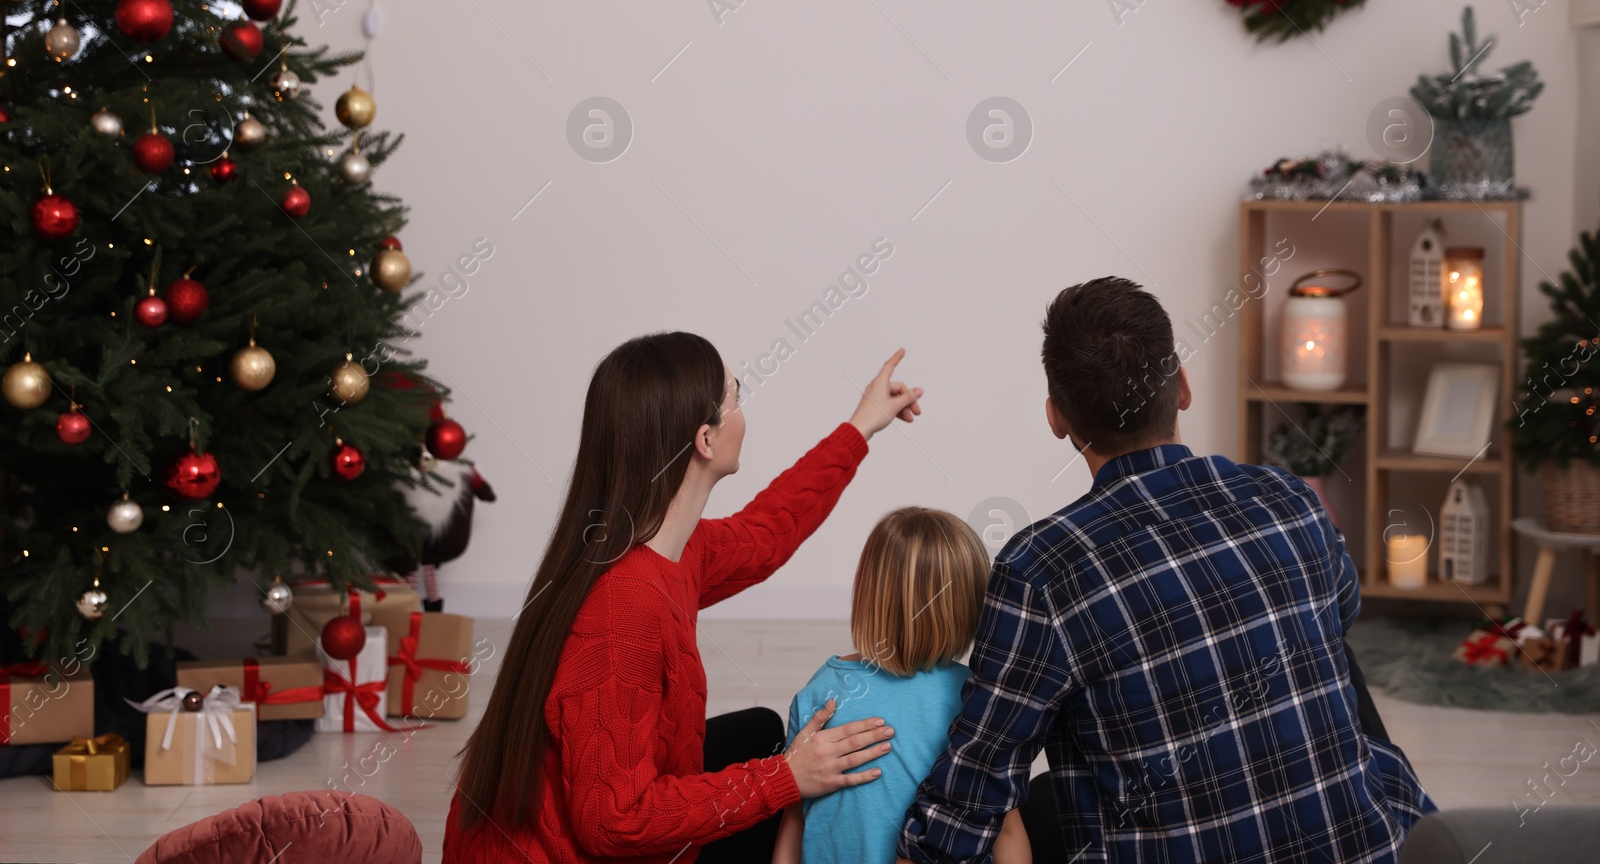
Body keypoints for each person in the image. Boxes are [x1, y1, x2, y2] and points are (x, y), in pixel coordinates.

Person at [897, 277, 1434, 864]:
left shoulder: (1041, 570)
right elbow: (1342, 609)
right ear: (1181, 387)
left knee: (1033, 786)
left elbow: (974, 790)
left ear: (1057, 418)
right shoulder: (1287, 499)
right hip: (1380, 844)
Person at [442, 332, 923, 864]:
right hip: (578, 845)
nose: (743, 411)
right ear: (705, 440)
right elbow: (614, 824)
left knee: (763, 731)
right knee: (781, 769)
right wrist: (784, 777)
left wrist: (862, 424)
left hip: (592, 815)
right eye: (735, 398)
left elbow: (767, 534)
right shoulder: (622, 609)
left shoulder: (652, 545)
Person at [773, 507, 1032, 864]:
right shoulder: (977, 700)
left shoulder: (823, 691)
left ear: (867, 592)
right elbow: (1007, 829)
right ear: (971, 605)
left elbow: (794, 818)